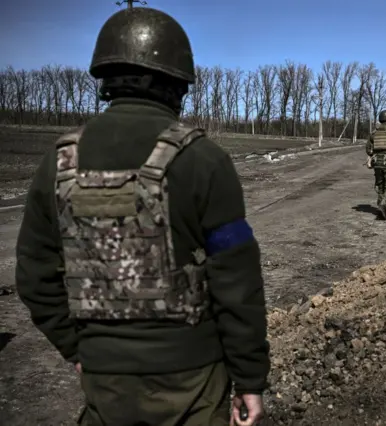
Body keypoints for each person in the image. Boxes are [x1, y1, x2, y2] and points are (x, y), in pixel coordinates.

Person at [15, 7, 269, 426]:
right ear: (178, 84)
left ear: (106, 79)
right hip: (193, 379)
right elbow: (237, 284)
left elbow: (34, 273)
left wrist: (78, 349)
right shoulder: (204, 160)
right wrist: (250, 380)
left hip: (104, 379)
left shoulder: (59, 163)